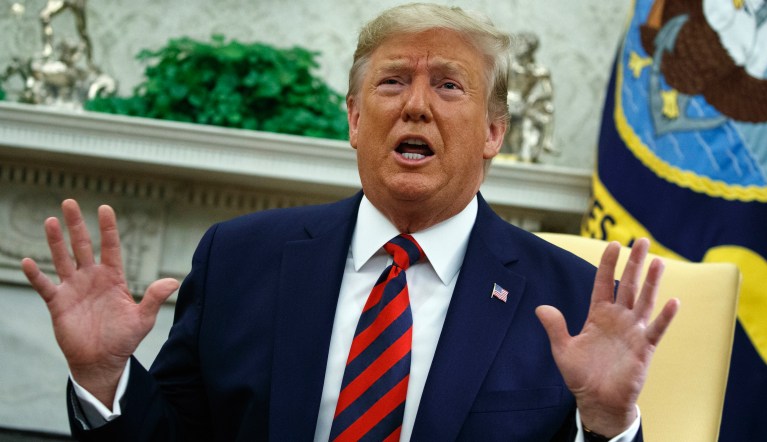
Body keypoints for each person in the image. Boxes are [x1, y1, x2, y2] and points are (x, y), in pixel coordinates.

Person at [21, 3, 679, 441]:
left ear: (493, 132)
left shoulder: (567, 300)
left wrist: (608, 422)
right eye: (392, 83)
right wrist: (105, 377)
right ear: (356, 119)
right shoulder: (240, 261)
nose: (416, 106)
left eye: (449, 86)